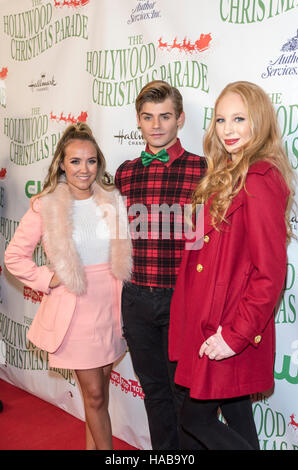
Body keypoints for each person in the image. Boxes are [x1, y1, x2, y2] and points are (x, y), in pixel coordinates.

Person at [168, 80, 295, 450]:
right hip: (207, 320)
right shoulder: (224, 174)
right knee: (237, 415)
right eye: (221, 120)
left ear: (259, 121)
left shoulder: (259, 179)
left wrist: (234, 335)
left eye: (239, 119)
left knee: (194, 419)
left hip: (229, 326)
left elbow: (270, 274)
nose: (228, 130)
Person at [4, 123, 132, 450]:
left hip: (112, 306)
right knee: (96, 395)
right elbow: (14, 256)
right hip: (76, 310)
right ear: (62, 162)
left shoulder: (113, 200)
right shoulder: (46, 205)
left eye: (90, 161)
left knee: (97, 398)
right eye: (75, 161)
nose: (83, 169)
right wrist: (48, 277)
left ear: (98, 163)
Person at [115, 80, 207, 450]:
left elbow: (210, 242)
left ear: (180, 119)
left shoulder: (203, 170)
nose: (156, 125)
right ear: (138, 120)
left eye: (165, 116)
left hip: (181, 300)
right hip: (135, 299)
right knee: (154, 393)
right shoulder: (124, 172)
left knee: (185, 397)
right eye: (148, 117)